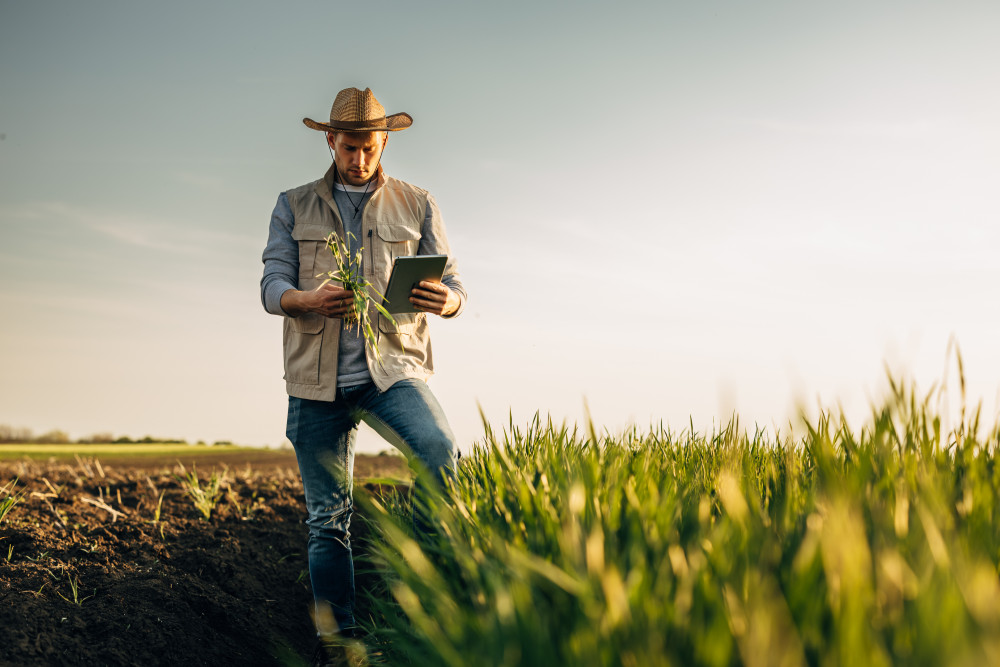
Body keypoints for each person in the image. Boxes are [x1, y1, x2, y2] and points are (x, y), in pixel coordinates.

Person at [260, 87, 466, 640]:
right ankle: (340, 643)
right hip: (316, 381)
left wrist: (447, 300)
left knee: (439, 451)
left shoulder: (418, 203)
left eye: (369, 148)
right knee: (327, 521)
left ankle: (423, 609)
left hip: (392, 372)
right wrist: (306, 299)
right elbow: (272, 284)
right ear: (330, 141)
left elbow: (453, 283)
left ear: (384, 142)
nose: (359, 159)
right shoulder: (292, 204)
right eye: (349, 148)